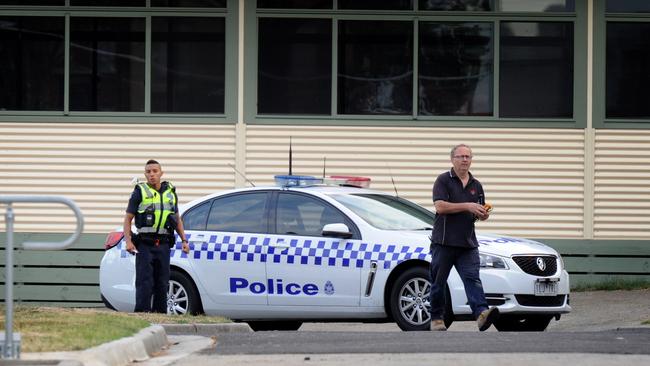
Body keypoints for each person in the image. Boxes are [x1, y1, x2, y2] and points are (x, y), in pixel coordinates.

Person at [429, 144, 499, 331]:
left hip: (467, 244)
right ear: (452, 159)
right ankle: (436, 318)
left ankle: (481, 314)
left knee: (472, 279)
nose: (465, 160)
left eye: (468, 156)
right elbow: (440, 207)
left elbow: (477, 212)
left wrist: (483, 214)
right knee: (438, 283)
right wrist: (467, 205)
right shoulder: (443, 180)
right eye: (461, 156)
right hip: (443, 242)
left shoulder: (477, 185)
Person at [124, 159, 190, 313]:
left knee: (162, 282)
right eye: (148, 172)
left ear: (161, 173)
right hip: (145, 245)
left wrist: (184, 240)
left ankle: (160, 315)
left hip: (164, 244)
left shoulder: (170, 193)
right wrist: (128, 241)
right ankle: (142, 314)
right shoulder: (139, 192)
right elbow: (127, 219)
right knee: (144, 282)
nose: (152, 175)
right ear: (145, 174)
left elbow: (177, 218)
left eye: (155, 171)